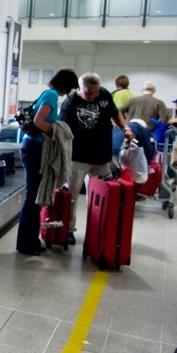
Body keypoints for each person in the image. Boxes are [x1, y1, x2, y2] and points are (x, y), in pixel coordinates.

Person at [59, 72, 133, 245]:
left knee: (103, 195)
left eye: (95, 92)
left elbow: (115, 113)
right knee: (72, 195)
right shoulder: (70, 104)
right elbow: (62, 133)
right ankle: (69, 230)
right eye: (88, 93)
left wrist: (125, 128)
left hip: (101, 157)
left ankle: (100, 229)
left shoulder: (105, 94)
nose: (92, 96)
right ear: (80, 88)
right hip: (77, 158)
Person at [15, 69, 78, 255]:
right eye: (69, 88)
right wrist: (56, 131)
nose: (68, 93)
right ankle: (27, 244)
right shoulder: (51, 95)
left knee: (33, 198)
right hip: (36, 150)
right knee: (33, 199)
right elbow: (38, 121)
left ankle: (29, 241)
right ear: (65, 84)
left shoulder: (47, 93)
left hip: (31, 148)